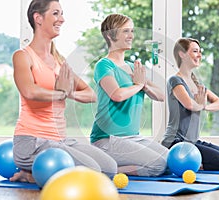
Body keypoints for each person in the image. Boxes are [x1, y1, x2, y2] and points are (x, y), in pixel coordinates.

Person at [10, 0, 117, 183]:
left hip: (60, 141)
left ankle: (33, 174)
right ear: (38, 18)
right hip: (31, 142)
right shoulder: (23, 56)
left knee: (109, 168)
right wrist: (60, 92)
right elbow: (29, 91)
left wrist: (69, 93)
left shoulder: (59, 60)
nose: (62, 19)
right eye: (56, 13)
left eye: (62, 14)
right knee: (94, 171)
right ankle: (33, 172)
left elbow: (91, 94)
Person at [90, 13, 168, 177]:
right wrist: (138, 85)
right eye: (126, 31)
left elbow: (160, 96)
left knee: (170, 160)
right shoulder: (104, 65)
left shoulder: (134, 68)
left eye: (132, 31)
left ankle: (110, 167)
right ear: (111, 35)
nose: (131, 36)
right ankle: (104, 170)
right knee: (158, 165)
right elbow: (117, 95)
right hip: (107, 140)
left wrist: (144, 85)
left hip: (133, 138)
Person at [161, 38, 219, 171]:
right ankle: (179, 163)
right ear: (182, 54)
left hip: (193, 141)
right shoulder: (175, 80)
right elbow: (189, 104)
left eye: (200, 52)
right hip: (175, 142)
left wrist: (205, 106)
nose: (199, 55)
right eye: (195, 51)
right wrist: (200, 105)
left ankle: (194, 163)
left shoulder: (197, 84)